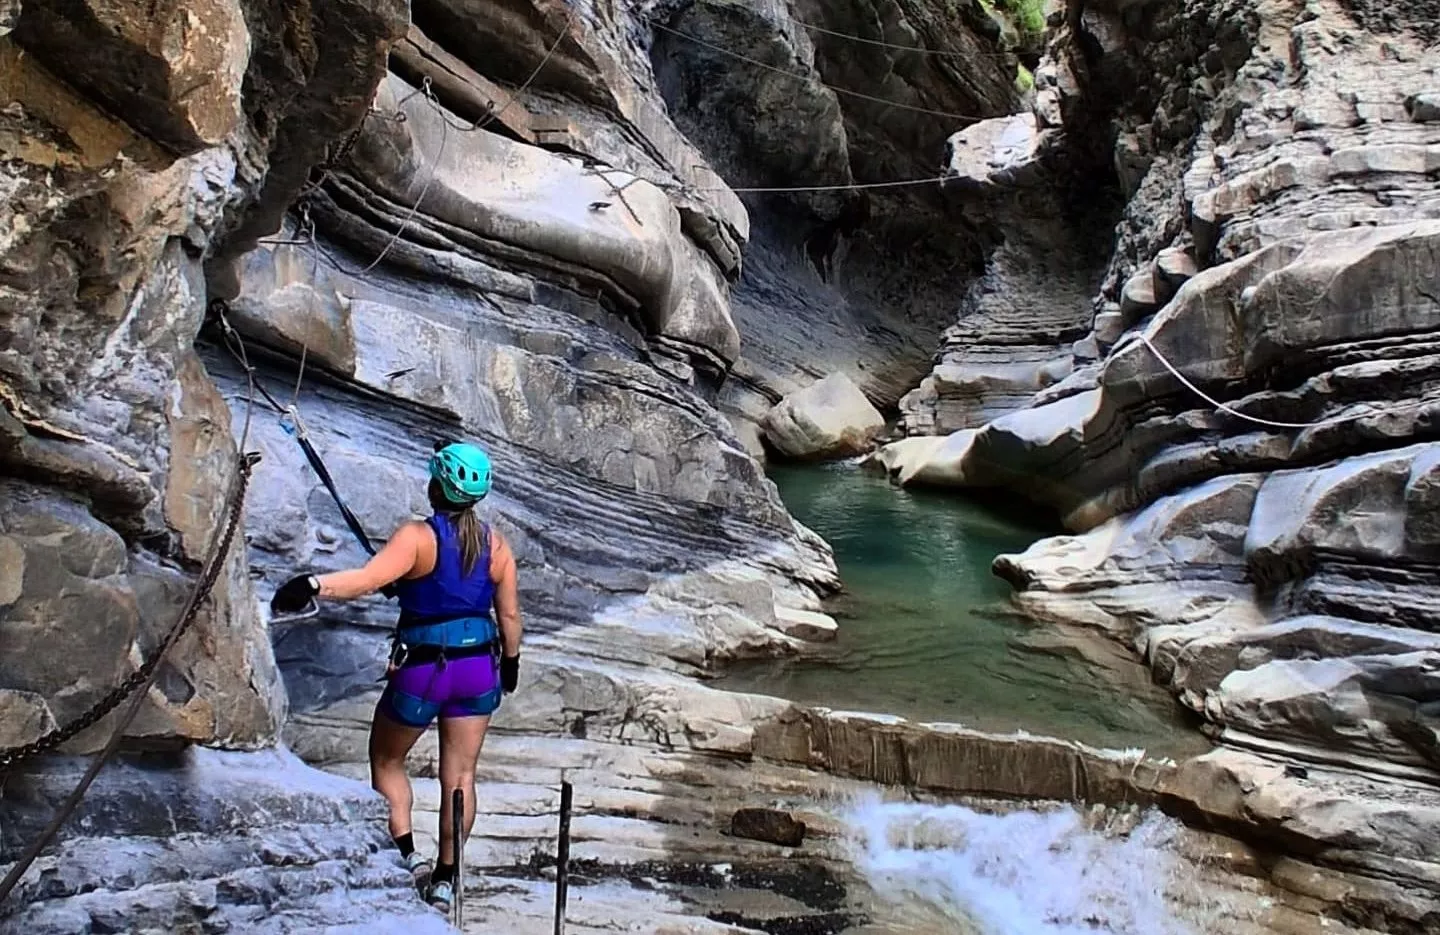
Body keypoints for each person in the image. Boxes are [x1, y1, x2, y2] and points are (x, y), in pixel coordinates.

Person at [270, 441, 522, 913]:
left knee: (387, 759)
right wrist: (510, 663)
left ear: (436, 486)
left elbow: (366, 580)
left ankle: (406, 857)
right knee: (461, 776)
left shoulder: (416, 538)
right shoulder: (496, 544)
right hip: (478, 668)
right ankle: (445, 880)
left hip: (424, 668)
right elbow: (508, 615)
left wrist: (311, 584)